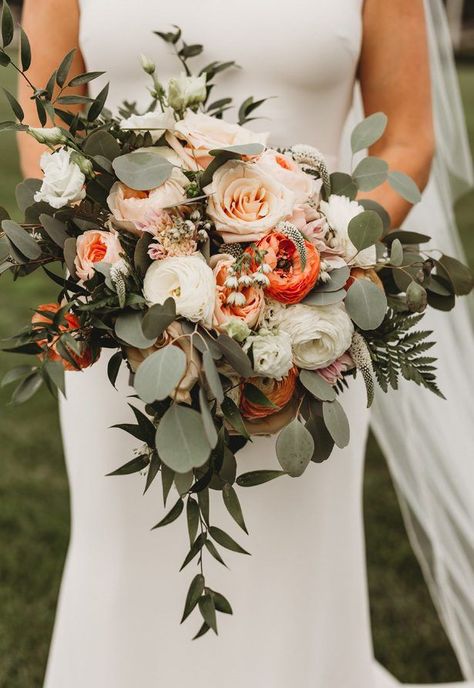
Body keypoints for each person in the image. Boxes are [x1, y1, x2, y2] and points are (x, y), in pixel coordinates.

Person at [16, 1, 473, 686]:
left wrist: (320, 258)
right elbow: (47, 114)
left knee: (288, 567)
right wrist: (115, 251)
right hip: (127, 332)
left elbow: (406, 137)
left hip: (307, 331)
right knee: (130, 562)